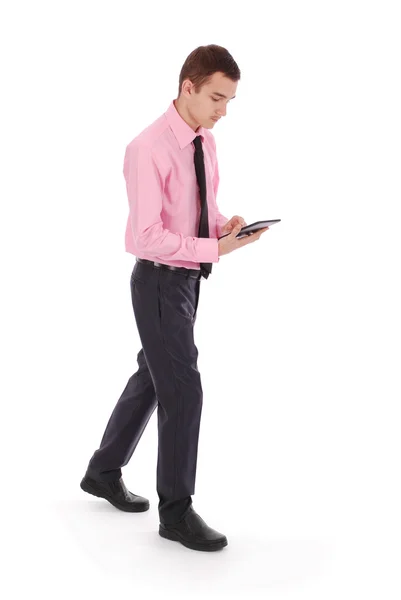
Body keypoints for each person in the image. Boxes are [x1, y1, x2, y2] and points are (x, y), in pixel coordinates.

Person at [80, 44, 269, 552]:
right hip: (159, 282)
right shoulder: (147, 148)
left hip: (187, 282)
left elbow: (192, 213)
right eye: (216, 98)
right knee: (183, 389)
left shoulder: (204, 142)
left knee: (154, 375)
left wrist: (223, 227)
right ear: (188, 87)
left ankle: (102, 471)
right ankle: (177, 512)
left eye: (229, 100)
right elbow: (145, 235)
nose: (223, 110)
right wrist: (212, 247)